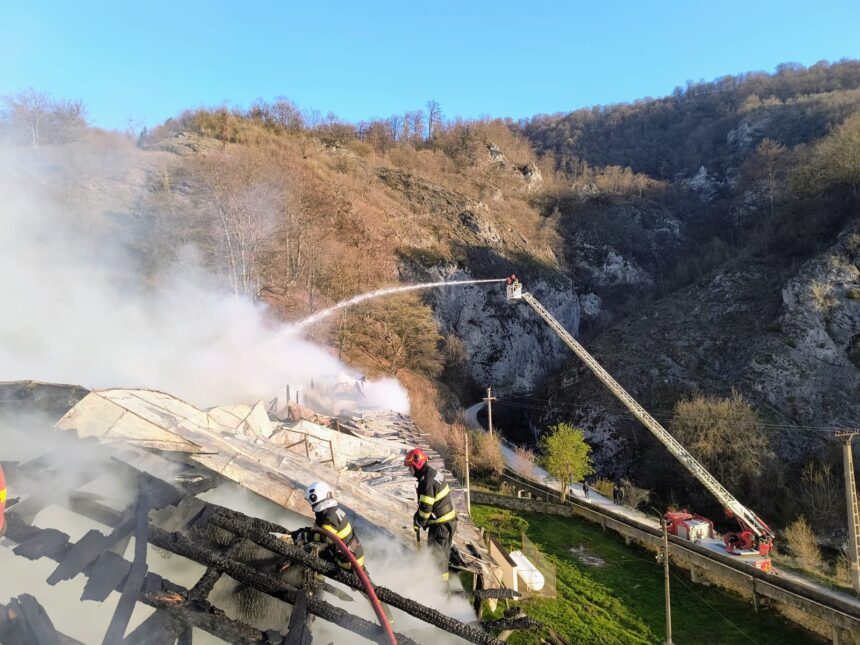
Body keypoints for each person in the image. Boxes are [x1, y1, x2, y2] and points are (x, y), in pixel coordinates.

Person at [405, 448, 457, 581]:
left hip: (441, 526)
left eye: (410, 467)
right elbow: (427, 505)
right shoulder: (432, 473)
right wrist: (418, 518)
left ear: (417, 464)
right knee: (436, 558)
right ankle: (436, 583)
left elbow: (426, 510)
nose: (409, 471)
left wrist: (418, 521)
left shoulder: (426, 482)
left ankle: (440, 590)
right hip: (443, 523)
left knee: (438, 561)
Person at [291, 481, 366, 571]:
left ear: (315, 498)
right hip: (353, 558)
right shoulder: (333, 511)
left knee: (308, 550)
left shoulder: (329, 517)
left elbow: (324, 537)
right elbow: (321, 531)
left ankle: (311, 580)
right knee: (314, 548)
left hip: (347, 562)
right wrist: (302, 531)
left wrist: (304, 536)